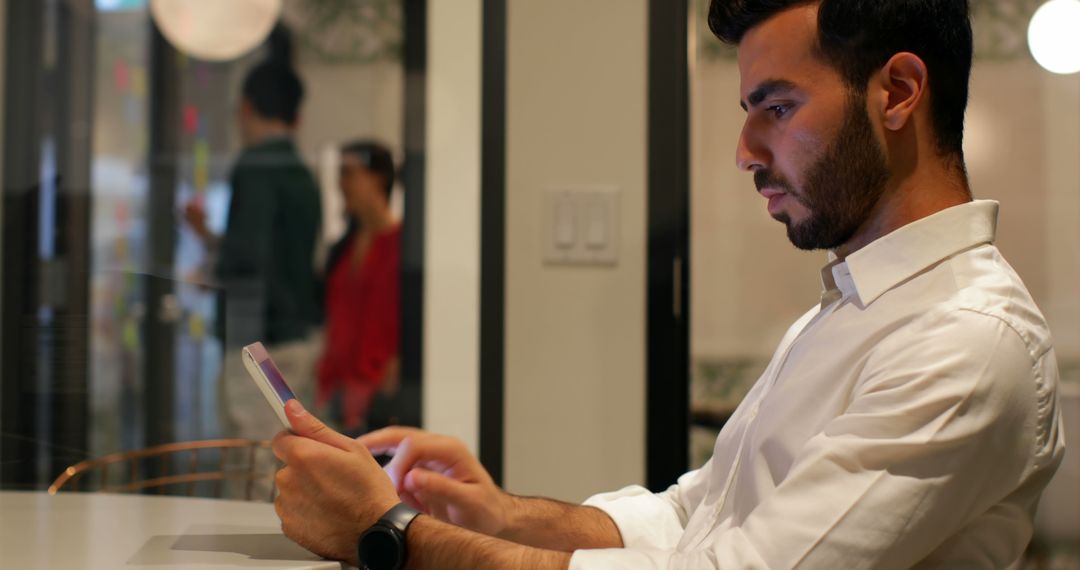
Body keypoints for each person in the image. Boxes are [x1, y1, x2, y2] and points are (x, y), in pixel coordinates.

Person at [270, 1, 1066, 568]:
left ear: (896, 92)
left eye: (777, 108)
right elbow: (694, 514)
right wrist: (495, 515)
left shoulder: (966, 340)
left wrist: (395, 533)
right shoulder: (848, 309)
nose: (745, 150)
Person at [184, 61, 322, 453]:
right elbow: (275, 254)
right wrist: (210, 238)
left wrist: (211, 271)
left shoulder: (256, 165)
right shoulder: (300, 172)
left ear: (245, 107)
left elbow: (247, 260)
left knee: (252, 467)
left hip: (258, 347)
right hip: (294, 339)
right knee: (284, 464)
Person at [317, 141, 401, 435]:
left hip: (378, 395)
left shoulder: (402, 245)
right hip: (337, 392)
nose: (341, 184)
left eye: (349, 173)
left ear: (377, 178)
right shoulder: (342, 248)